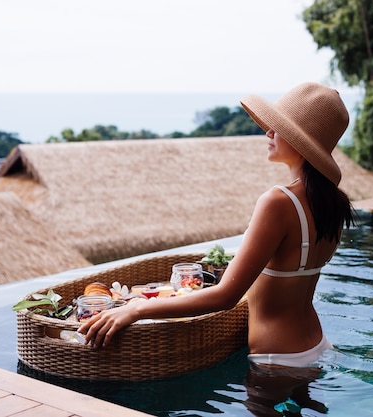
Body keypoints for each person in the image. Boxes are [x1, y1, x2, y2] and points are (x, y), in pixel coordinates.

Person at [78, 82, 355, 369]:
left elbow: (226, 296)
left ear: (302, 142)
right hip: (315, 343)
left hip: (277, 356)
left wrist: (136, 309)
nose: (268, 132)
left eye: (279, 127)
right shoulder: (334, 204)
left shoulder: (278, 202)